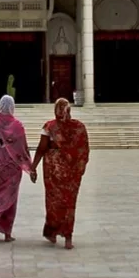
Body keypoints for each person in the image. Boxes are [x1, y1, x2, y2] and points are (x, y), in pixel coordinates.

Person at [31, 98, 90, 250]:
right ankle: (68, 236)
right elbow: (84, 149)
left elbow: (42, 148)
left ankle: (52, 232)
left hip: (53, 169)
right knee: (69, 202)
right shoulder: (79, 127)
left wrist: (33, 166)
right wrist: (79, 165)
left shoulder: (50, 126)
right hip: (72, 171)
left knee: (53, 201)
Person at [0, 95, 33, 242]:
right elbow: (23, 148)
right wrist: (30, 167)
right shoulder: (17, 125)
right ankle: (7, 233)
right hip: (11, 161)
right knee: (11, 195)